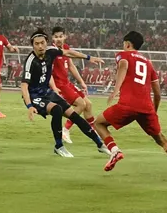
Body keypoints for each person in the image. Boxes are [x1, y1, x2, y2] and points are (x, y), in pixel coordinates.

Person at [93, 31, 167, 179]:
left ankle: (114, 150)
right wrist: (153, 112)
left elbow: (123, 64)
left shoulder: (123, 54)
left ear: (127, 44)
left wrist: (116, 89)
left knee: (99, 123)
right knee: (161, 139)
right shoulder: (148, 63)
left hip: (127, 105)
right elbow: (158, 94)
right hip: (146, 108)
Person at [21, 29, 109, 157]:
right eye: (36, 44)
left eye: (42, 43)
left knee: (75, 116)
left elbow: (68, 53)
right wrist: (29, 106)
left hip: (47, 92)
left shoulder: (51, 52)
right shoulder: (30, 61)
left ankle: (100, 144)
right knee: (56, 109)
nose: (40, 46)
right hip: (34, 96)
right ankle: (59, 146)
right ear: (32, 45)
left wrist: (89, 58)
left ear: (47, 42)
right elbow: (24, 86)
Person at [51, 26, 94, 144]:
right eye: (56, 37)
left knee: (88, 105)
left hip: (67, 83)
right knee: (81, 104)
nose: (58, 39)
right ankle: (65, 130)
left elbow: (71, 66)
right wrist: (54, 88)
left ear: (65, 37)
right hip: (60, 85)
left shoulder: (65, 48)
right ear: (52, 38)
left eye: (60, 36)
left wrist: (81, 82)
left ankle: (93, 131)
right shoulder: (52, 51)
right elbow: (49, 72)